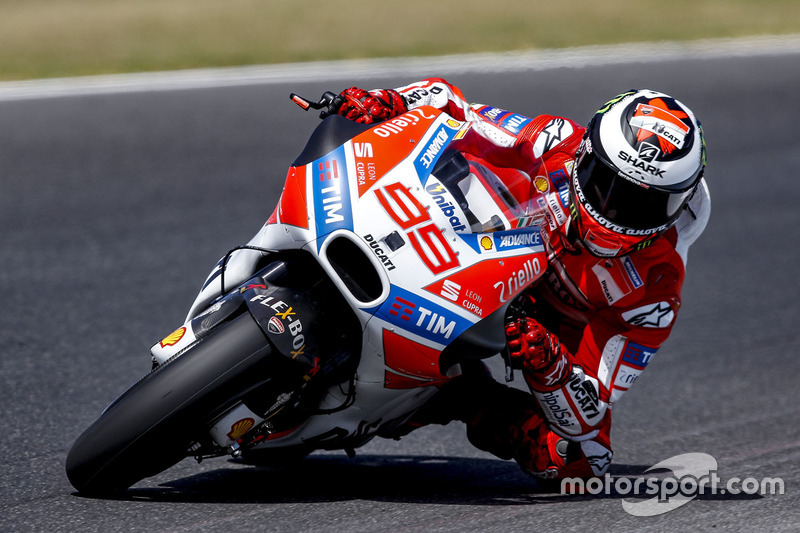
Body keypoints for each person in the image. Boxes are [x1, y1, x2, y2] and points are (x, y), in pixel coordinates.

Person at [329, 79, 710, 480]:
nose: (616, 210)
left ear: (679, 204)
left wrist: (550, 363)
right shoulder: (554, 139)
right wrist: (390, 101)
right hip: (472, 248)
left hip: (533, 330)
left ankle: (455, 395)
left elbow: (592, 409)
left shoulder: (655, 293)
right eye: (606, 183)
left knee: (580, 462)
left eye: (645, 205)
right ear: (586, 153)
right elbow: (453, 107)